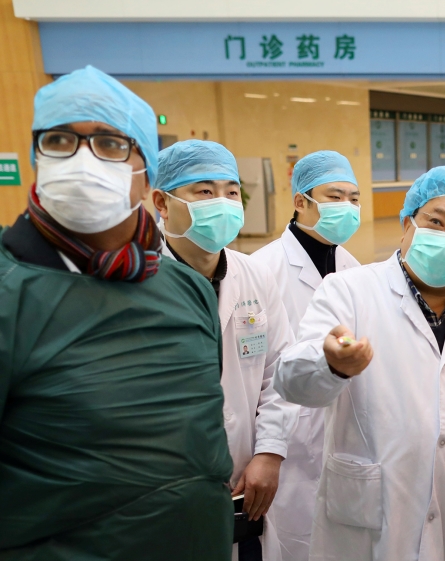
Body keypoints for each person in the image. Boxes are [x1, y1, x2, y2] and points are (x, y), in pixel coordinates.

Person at [0, 66, 232, 559]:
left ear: (145, 173)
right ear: (39, 156)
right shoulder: (10, 290)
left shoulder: (186, 287)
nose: (82, 160)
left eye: (109, 144)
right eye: (60, 140)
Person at [275, 164, 445, 561]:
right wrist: (331, 364)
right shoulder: (349, 291)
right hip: (368, 513)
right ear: (407, 222)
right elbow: (290, 381)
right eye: (436, 221)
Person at [152, 139, 297, 561]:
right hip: (160, 486)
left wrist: (270, 451)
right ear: (162, 201)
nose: (223, 202)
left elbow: (278, 372)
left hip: (244, 483)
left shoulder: (255, 276)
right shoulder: (135, 281)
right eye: (204, 191)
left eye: (231, 191)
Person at [251, 150, 363, 561]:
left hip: (342, 429)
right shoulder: (264, 267)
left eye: (353, 198)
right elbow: (262, 368)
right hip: (289, 438)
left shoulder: (352, 266)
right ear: (301, 201)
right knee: (290, 539)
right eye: (335, 197)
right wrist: (268, 446)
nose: (347, 208)